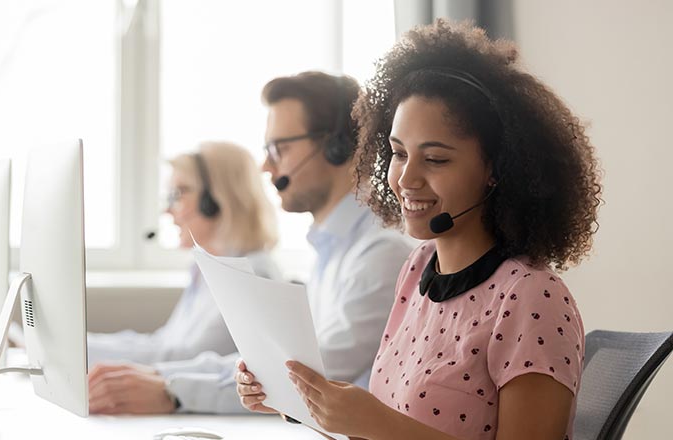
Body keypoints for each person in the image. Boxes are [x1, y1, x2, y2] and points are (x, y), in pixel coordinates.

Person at [237, 20, 602, 440]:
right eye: (398, 153)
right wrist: (297, 399)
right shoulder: (418, 270)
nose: (406, 179)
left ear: (496, 171)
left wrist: (375, 422)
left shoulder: (531, 297)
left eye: (436, 159)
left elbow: (391, 428)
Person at [88, 71, 412, 415]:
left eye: (280, 149)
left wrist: (175, 390)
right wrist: (163, 378)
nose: (266, 165)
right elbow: (270, 363)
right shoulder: (332, 252)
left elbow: (310, 377)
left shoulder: (379, 253)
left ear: (338, 148)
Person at [86, 141, 281, 413]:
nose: (168, 211)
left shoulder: (252, 273)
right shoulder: (207, 269)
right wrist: (77, 343)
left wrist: (77, 350)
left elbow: (182, 356)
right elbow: (163, 344)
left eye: (179, 194)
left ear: (215, 199)